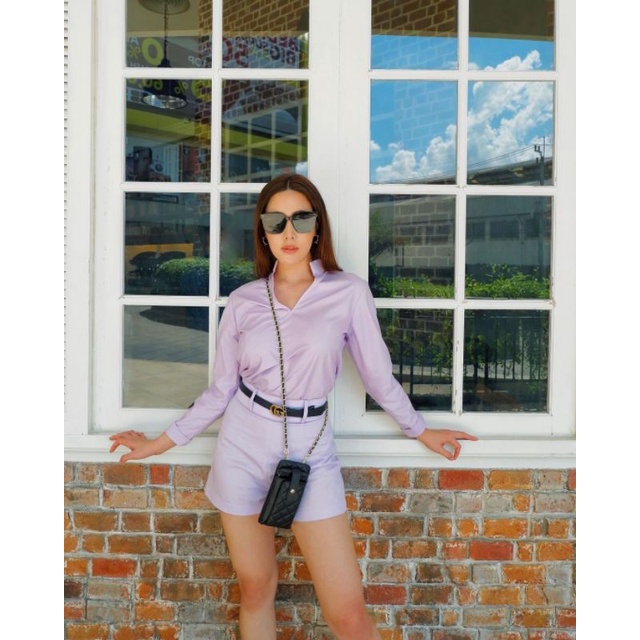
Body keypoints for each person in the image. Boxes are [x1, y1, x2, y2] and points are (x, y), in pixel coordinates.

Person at [109, 173, 478, 640]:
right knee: (256, 588)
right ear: (262, 231)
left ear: (317, 227)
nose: (289, 232)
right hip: (242, 444)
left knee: (347, 611)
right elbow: (221, 389)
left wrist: (420, 430)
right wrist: (158, 443)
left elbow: (377, 376)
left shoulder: (348, 292)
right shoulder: (243, 301)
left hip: (310, 448)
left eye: (301, 219)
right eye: (275, 221)